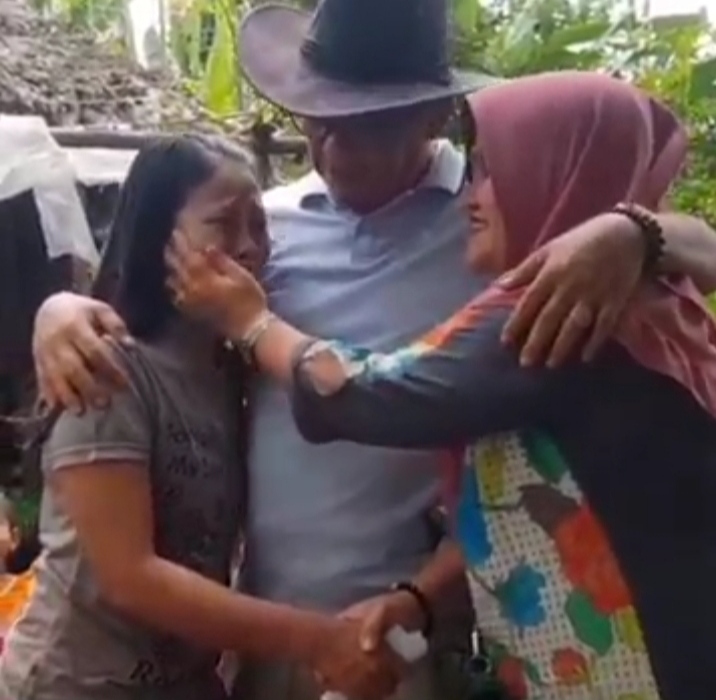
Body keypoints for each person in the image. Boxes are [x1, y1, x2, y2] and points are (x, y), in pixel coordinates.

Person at [30, 0, 716, 697]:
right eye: (317, 122)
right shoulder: (266, 229)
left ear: (432, 118)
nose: (333, 150)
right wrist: (58, 312)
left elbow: (372, 392)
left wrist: (634, 232)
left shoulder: (507, 240)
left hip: (410, 634)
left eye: (364, 127)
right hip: (261, 624)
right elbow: (146, 306)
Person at [0, 135, 403, 700]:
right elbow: (130, 577)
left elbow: (339, 381)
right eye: (223, 224)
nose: (249, 247)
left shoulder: (233, 370)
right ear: (158, 237)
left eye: (259, 225)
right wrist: (318, 641)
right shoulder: (106, 367)